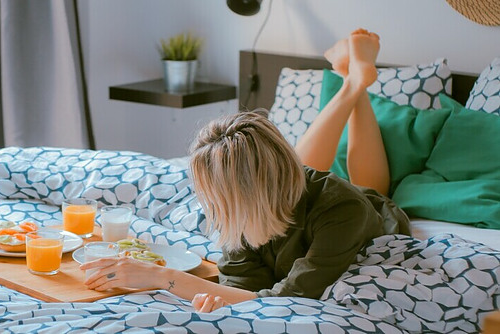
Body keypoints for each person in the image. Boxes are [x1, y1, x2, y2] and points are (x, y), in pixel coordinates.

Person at [80, 29, 410, 313]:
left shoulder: (343, 210)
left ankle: (355, 82)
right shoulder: (238, 212)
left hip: (365, 206)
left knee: (373, 188)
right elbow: (245, 287)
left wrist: (161, 278)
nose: (210, 206)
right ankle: (353, 79)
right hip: (285, 189)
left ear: (245, 193)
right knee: (300, 167)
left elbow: (290, 299)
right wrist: (225, 300)